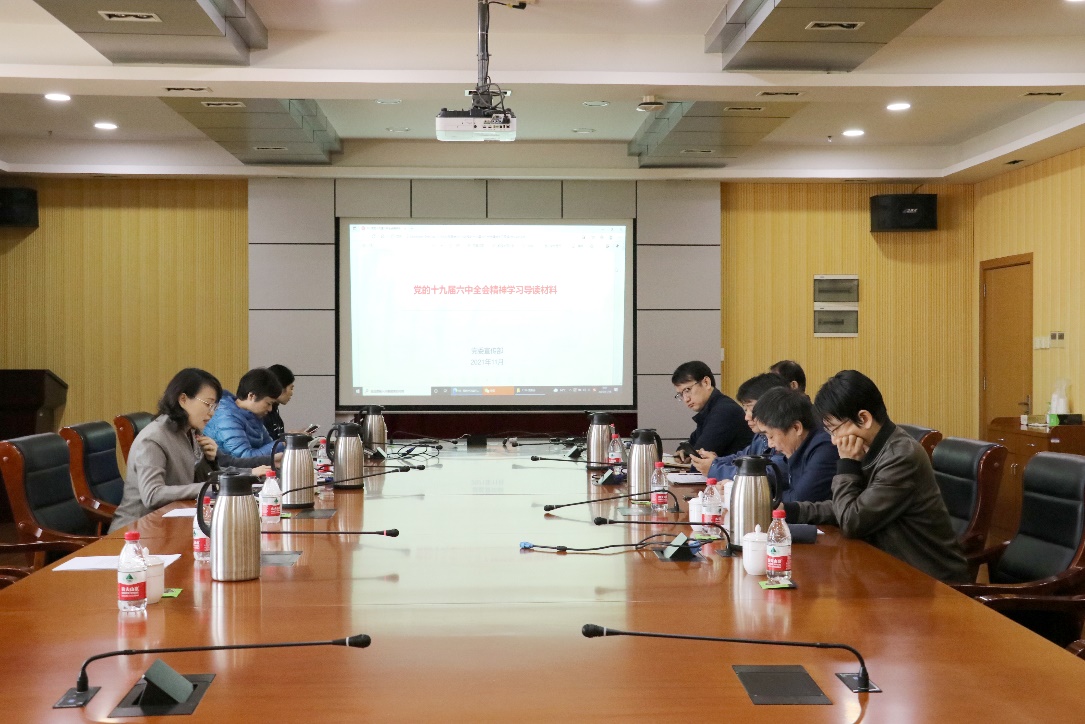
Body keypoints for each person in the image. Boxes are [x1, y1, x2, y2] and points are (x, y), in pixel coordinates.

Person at [783, 370, 969, 583]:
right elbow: (848, 507)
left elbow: (852, 521)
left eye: (835, 430)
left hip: (930, 582)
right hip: (890, 571)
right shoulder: (872, 448)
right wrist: (792, 511)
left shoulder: (901, 457)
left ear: (864, 419)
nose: (834, 441)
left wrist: (847, 464)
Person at [109, 368, 269, 532]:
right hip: (137, 530)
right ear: (183, 399)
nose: (212, 413)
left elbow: (198, 478)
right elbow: (153, 495)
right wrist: (214, 486)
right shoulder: (153, 438)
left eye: (215, 406)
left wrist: (212, 461)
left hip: (171, 522)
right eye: (208, 404)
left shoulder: (190, 432)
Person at [692, 372, 789, 480]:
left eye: (751, 409)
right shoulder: (760, 436)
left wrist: (714, 469)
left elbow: (764, 475)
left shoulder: (784, 436)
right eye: (745, 410)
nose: (746, 417)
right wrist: (715, 461)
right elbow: (742, 457)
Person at [751, 386, 837, 503]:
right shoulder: (798, 447)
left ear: (796, 428)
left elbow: (800, 499)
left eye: (771, 436)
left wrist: (760, 498)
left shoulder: (825, 448)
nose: (770, 445)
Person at [672, 361, 752, 463]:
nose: (686, 399)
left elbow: (700, 455)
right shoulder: (710, 410)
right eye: (681, 394)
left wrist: (689, 454)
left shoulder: (725, 411)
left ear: (706, 382)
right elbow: (691, 445)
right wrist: (682, 452)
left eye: (687, 390)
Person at [203, 367, 283, 458]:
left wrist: (285, 443)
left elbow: (268, 445)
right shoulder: (227, 417)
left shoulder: (253, 415)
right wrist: (282, 443)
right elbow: (244, 457)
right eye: (268, 403)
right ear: (251, 396)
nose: (270, 409)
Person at [262, 364, 295, 440]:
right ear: (280, 387)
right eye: (291, 388)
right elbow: (271, 444)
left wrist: (293, 437)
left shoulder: (274, 410)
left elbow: (277, 441)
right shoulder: (263, 413)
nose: (291, 393)